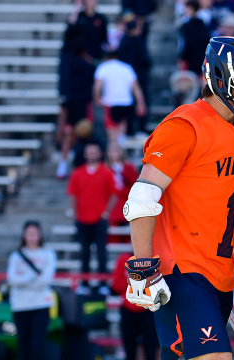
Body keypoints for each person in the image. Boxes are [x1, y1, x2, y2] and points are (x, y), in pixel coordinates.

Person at [122, 37, 234, 360]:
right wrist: (142, 265)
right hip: (183, 269)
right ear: (224, 78)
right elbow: (142, 196)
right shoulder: (185, 123)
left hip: (218, 272)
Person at [7, 221, 57, 360]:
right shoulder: (16, 256)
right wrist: (34, 276)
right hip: (20, 305)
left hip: (40, 304)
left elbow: (46, 280)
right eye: (29, 234)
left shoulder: (48, 254)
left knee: (37, 345)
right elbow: (13, 280)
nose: (32, 237)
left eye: (34, 233)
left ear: (40, 235)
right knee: (23, 345)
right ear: (24, 235)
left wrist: (23, 280)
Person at [67, 143, 117, 281]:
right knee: (84, 253)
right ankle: (85, 282)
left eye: (94, 152)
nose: (92, 155)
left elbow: (114, 194)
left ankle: (102, 283)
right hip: (82, 219)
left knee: (102, 252)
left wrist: (106, 212)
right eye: (89, 152)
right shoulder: (77, 173)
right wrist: (75, 212)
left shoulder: (106, 172)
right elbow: (72, 194)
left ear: (100, 154)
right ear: (85, 154)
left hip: (99, 219)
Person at [56, 39, 96, 179]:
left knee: (69, 133)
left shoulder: (67, 65)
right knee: (85, 133)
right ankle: (85, 165)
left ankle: (62, 166)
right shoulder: (88, 66)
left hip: (70, 102)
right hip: (83, 103)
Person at [111, 252, 159, 360]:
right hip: (128, 311)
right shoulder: (124, 259)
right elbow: (116, 286)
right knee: (129, 350)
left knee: (151, 350)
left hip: (148, 310)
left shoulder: (153, 260)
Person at [93, 51, 147, 145]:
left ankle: (114, 152)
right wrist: (140, 103)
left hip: (111, 102)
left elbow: (97, 86)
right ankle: (120, 151)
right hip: (126, 102)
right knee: (122, 131)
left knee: (111, 133)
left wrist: (97, 98)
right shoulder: (126, 67)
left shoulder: (103, 67)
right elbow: (135, 87)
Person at [117, 16, 152, 135]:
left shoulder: (123, 41)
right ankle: (141, 128)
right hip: (139, 76)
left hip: (125, 79)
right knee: (142, 101)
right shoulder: (138, 41)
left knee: (129, 104)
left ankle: (129, 130)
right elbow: (145, 60)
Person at [106, 143, 138, 243]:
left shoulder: (129, 168)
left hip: (127, 200)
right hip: (112, 202)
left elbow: (135, 185)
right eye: (111, 151)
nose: (113, 154)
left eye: (116, 150)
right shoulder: (104, 168)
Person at [178, 0, 211, 77]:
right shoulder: (203, 24)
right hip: (202, 57)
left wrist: (183, 57)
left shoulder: (187, 26)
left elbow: (187, 43)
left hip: (190, 59)